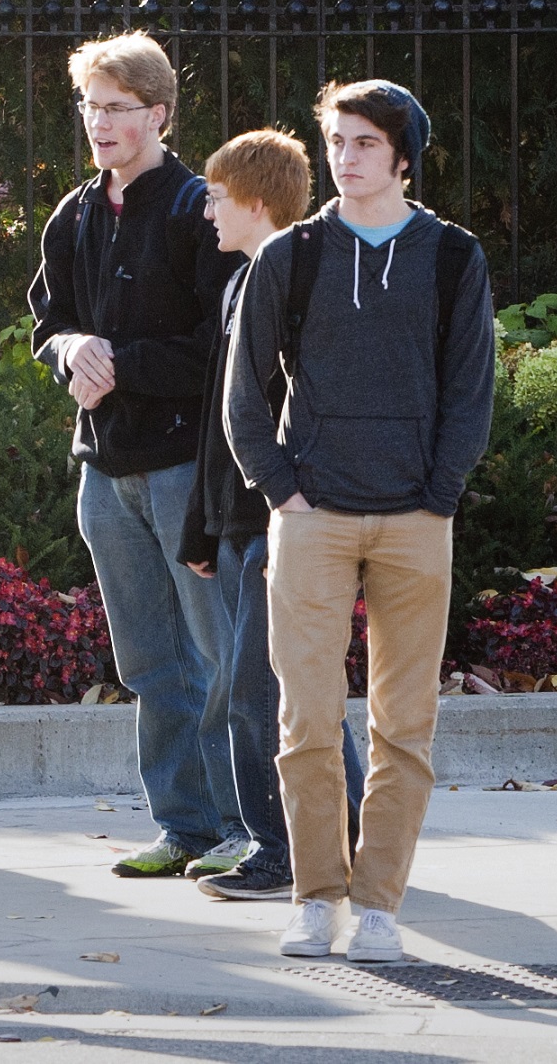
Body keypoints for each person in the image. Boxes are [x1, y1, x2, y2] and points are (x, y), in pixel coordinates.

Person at [222, 80, 495, 965]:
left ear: (403, 154)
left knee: (402, 727)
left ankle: (377, 906)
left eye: (366, 142)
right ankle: (314, 898)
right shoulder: (290, 256)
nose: (345, 156)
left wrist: (440, 491)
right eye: (337, 139)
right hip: (312, 518)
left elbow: (470, 388)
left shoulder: (451, 256)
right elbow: (241, 393)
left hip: (416, 519)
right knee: (303, 721)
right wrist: (281, 490)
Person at [29, 34, 246, 880]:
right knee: (150, 662)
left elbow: (220, 344)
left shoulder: (200, 208)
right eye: (90, 106)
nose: (100, 122)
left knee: (220, 654)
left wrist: (118, 362)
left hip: (186, 470)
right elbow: (50, 328)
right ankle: (184, 826)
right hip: (104, 470)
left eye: (117, 107)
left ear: (158, 113)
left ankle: (244, 827)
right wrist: (72, 348)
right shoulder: (74, 214)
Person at [179, 128, 365, 902]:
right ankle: (339, 843)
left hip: (279, 522)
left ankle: (282, 850)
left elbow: (307, 410)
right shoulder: (239, 281)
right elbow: (221, 418)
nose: (207, 213)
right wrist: (203, 523)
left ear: (255, 202)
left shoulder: (298, 280)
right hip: (239, 523)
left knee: (260, 698)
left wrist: (287, 502)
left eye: (217, 199)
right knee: (282, 690)